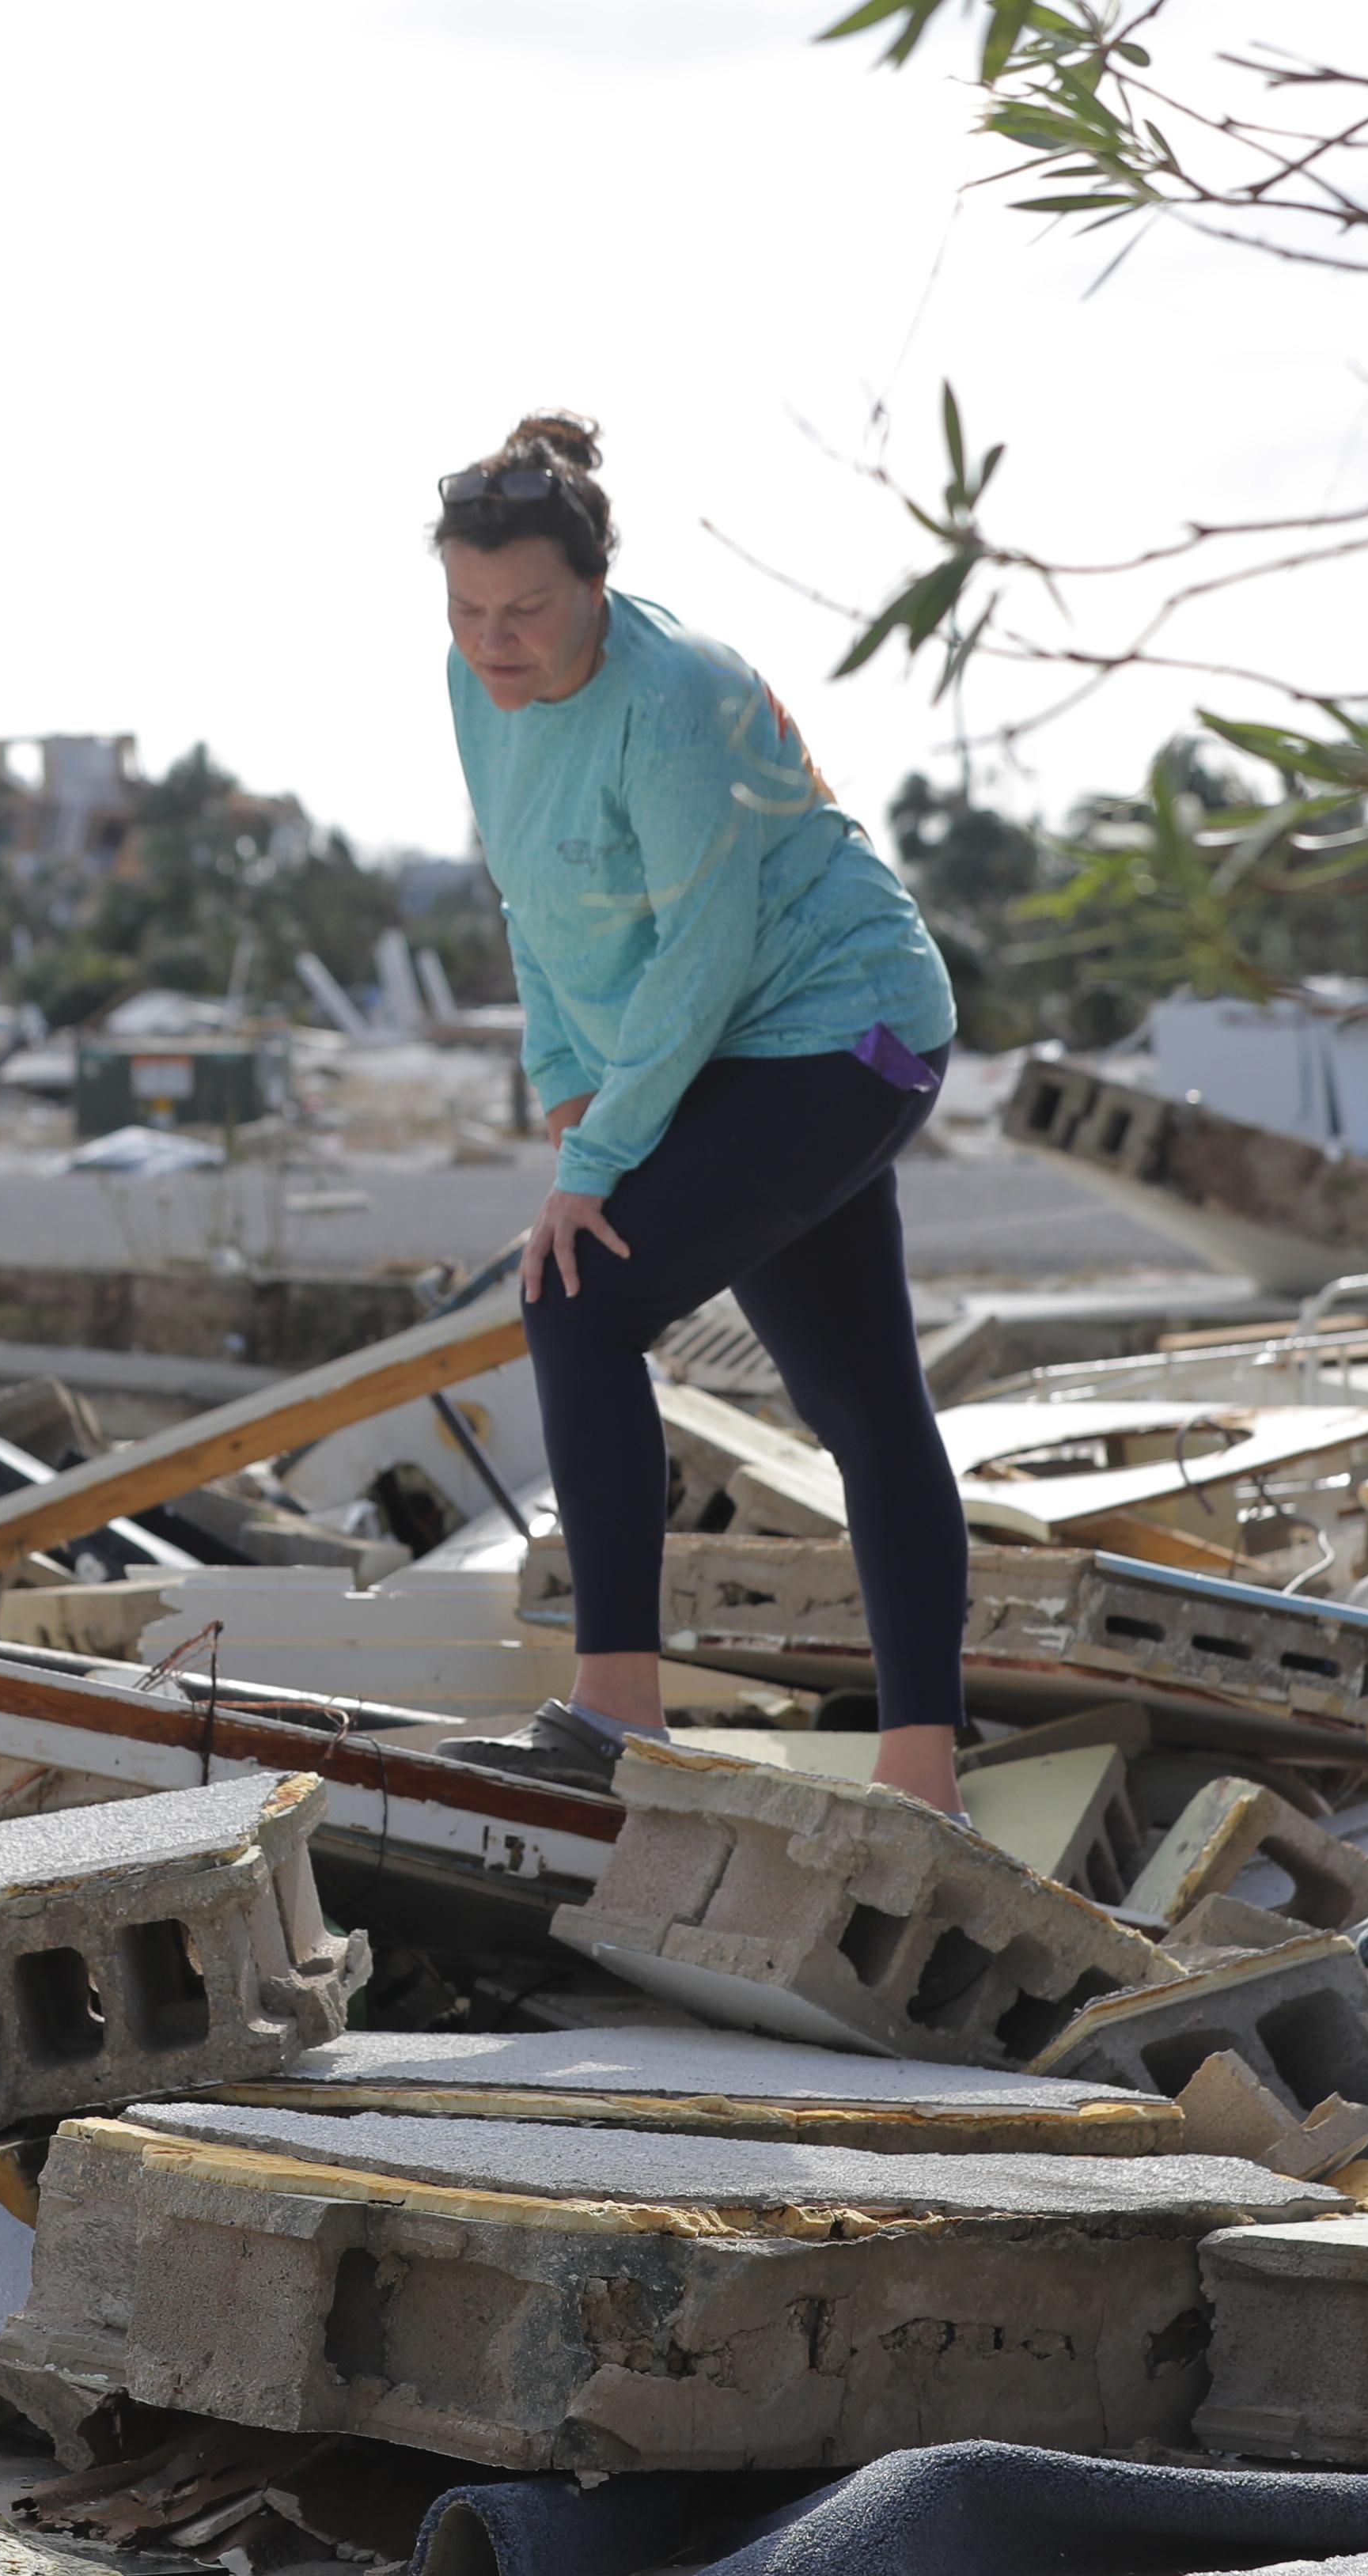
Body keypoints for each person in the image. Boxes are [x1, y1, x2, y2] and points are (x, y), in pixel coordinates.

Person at [421, 413, 972, 1811]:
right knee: (854, 1392)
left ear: (596, 584)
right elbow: (527, 894)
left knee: (578, 1296)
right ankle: (920, 1774)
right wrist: (567, 1088)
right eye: (471, 609)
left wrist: (601, 1164)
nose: (498, 639)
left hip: (845, 1031)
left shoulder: (673, 699)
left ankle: (619, 1720)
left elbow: (705, 948)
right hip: (732, 1043)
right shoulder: (475, 683)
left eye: (529, 609)